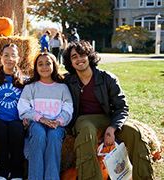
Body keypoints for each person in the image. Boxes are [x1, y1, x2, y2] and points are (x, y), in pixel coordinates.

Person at [62, 40, 154, 180]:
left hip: (108, 118)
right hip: (84, 120)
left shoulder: (107, 78)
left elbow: (121, 107)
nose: (79, 59)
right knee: (87, 132)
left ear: (89, 56)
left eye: (82, 55)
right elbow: (46, 82)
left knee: (135, 133)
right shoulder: (67, 81)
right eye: (74, 57)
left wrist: (112, 127)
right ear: (70, 61)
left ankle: (144, 177)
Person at [17, 52, 73, 180]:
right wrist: (40, 118)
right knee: (39, 134)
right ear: (36, 68)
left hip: (56, 125)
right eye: (40, 64)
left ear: (54, 65)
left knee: (53, 137)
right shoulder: (31, 87)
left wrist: (59, 121)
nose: (44, 67)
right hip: (36, 123)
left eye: (48, 63)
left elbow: (68, 109)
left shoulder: (62, 88)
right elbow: (23, 109)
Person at [0, 43, 27, 180]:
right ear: (1, 57)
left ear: (18, 59)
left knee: (16, 130)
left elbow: (30, 102)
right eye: (6, 55)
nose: (10, 58)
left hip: (16, 119)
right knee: (0, 129)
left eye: (13, 55)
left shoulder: (24, 81)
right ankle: (2, 171)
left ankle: (16, 172)